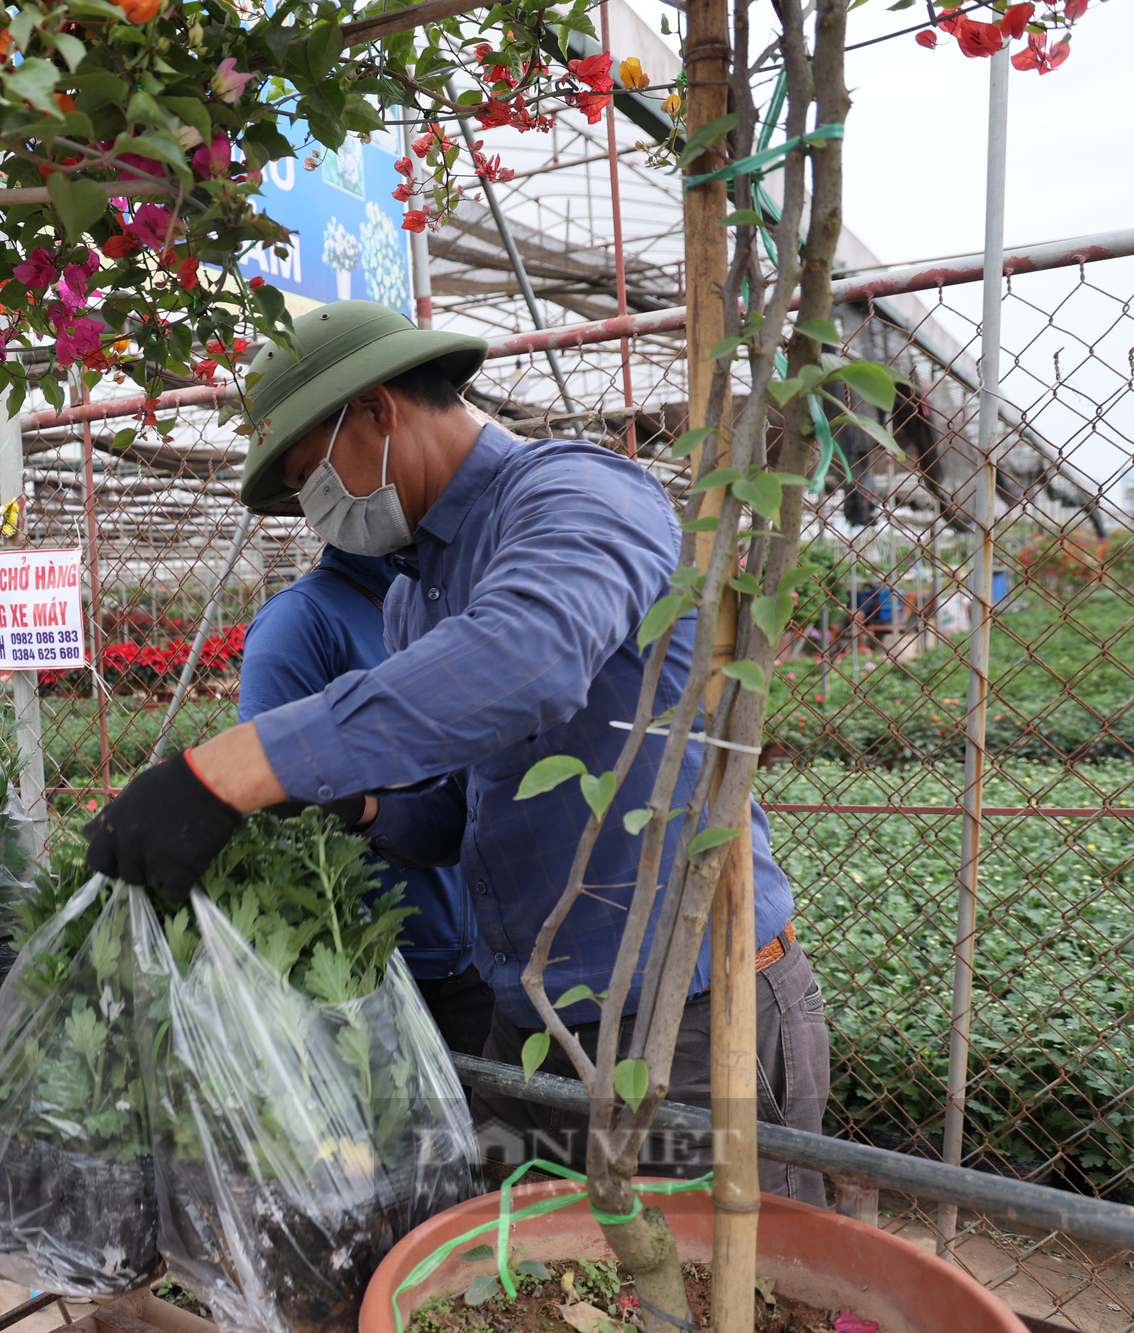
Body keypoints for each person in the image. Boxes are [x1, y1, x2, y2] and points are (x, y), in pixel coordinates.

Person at [87, 301, 829, 1201]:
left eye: (309, 474)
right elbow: (460, 810)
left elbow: (530, 659)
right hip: (532, 1023)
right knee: (531, 1273)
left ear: (375, 412)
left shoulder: (578, 495)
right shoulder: (413, 596)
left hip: (689, 1017)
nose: (317, 514)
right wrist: (358, 805)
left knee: (712, 1282)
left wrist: (234, 768)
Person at [237, 544, 493, 1058]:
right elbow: (276, 805)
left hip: (480, 959)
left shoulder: (453, 603)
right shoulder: (300, 620)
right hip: (379, 966)